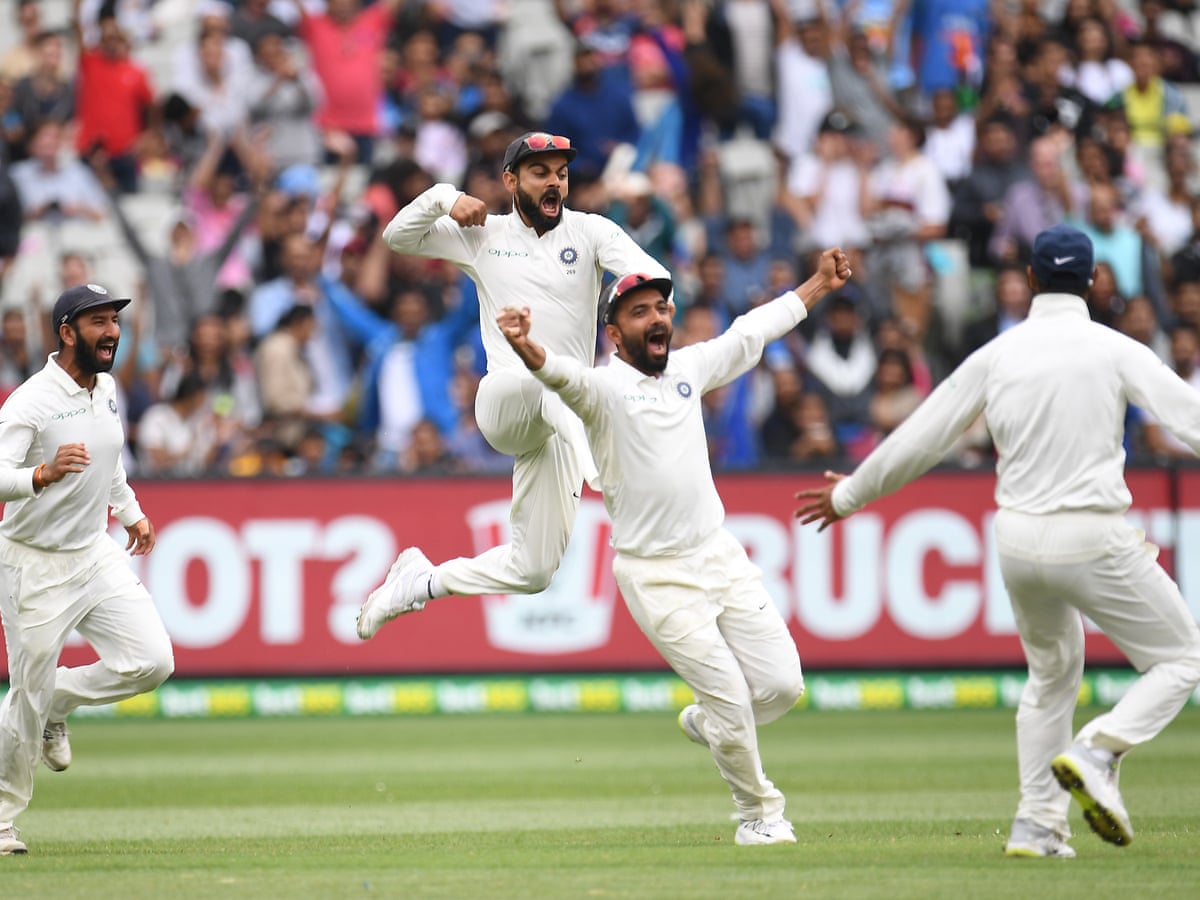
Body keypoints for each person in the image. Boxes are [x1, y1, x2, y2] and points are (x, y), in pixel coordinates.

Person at [795, 224, 1200, 858]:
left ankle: (1037, 824)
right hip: (1091, 534)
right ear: (1092, 283)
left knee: (1050, 678)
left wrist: (850, 495)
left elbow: (924, 434)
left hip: (1017, 544)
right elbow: (1190, 419)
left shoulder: (999, 353)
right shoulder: (1115, 348)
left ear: (1032, 280)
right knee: (1182, 658)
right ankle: (1098, 750)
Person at [495, 247, 852, 844]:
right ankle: (759, 816)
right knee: (735, 700)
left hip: (717, 554)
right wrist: (525, 344)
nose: (656, 318)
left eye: (662, 308)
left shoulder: (688, 368)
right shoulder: (602, 390)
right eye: (639, 312)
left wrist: (818, 282)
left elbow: (752, 329)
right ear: (614, 332)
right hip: (656, 575)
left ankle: (709, 721)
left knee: (783, 687)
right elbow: (558, 374)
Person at [357, 131, 670, 639]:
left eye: (562, 174)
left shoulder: (591, 232)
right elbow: (397, 237)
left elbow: (653, 277)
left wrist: (633, 319)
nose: (555, 182)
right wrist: (443, 197)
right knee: (554, 383)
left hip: (560, 422)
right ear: (511, 181)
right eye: (541, 172)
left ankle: (421, 582)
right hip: (505, 400)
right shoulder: (485, 234)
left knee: (534, 570)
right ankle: (612, 480)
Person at [0, 284, 174, 856]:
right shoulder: (30, 400)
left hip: (93, 551)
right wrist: (40, 477)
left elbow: (110, 459)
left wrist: (131, 512)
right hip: (34, 563)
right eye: (98, 322)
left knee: (152, 661)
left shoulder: (109, 388)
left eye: (115, 322)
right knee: (23, 697)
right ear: (67, 332)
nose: (112, 332)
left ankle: (58, 700)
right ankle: (2, 821)